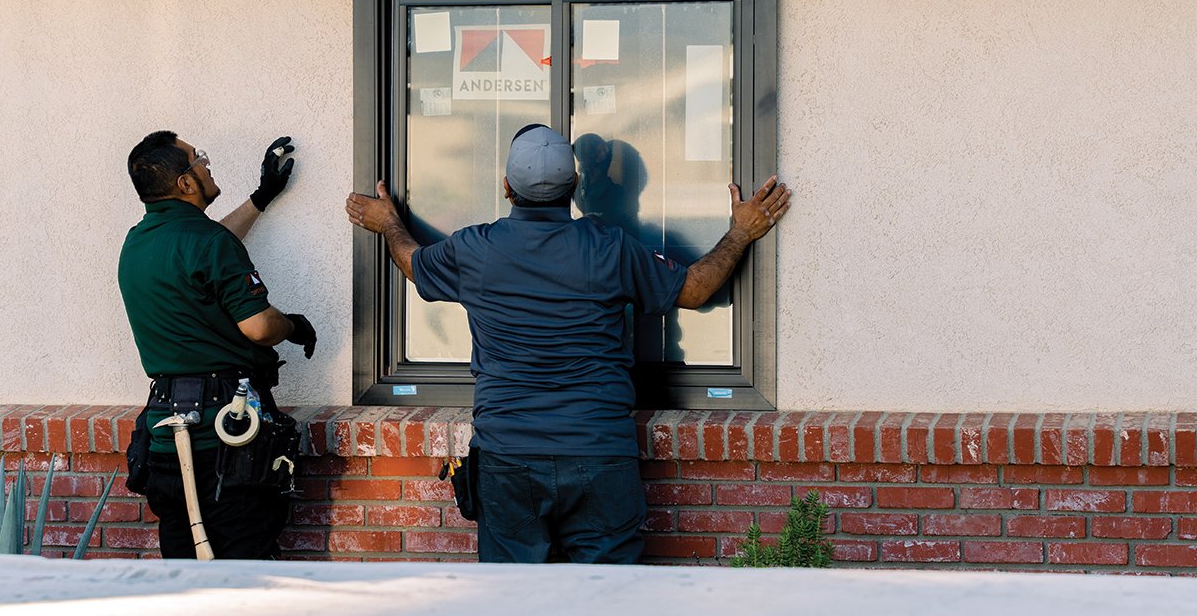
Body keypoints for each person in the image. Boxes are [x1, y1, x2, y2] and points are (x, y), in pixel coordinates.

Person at [345, 124, 790, 564]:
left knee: (512, 603)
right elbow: (693, 290)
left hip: (508, 454)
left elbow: (414, 263)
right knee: (608, 601)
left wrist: (388, 224)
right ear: (573, 186)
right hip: (599, 452)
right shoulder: (610, 248)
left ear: (505, 187)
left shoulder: (475, 250)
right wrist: (741, 233)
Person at [119, 130, 317, 559]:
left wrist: (260, 198)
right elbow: (260, 327)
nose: (207, 164)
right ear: (186, 183)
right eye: (199, 159)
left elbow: (202, 249)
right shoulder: (209, 243)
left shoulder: (137, 243)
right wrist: (294, 326)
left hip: (166, 439)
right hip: (228, 440)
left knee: (185, 577)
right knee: (244, 580)